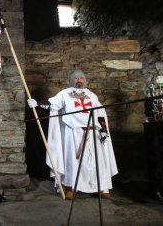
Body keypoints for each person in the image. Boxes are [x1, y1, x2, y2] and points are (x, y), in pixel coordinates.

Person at [27, 69, 118, 200]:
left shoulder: (92, 95)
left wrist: (103, 131)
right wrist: (38, 104)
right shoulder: (64, 94)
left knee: (97, 161)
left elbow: (100, 113)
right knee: (72, 161)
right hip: (73, 132)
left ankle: (101, 188)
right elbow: (53, 104)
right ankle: (70, 187)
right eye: (76, 78)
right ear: (72, 80)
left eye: (81, 78)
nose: (79, 80)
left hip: (93, 132)